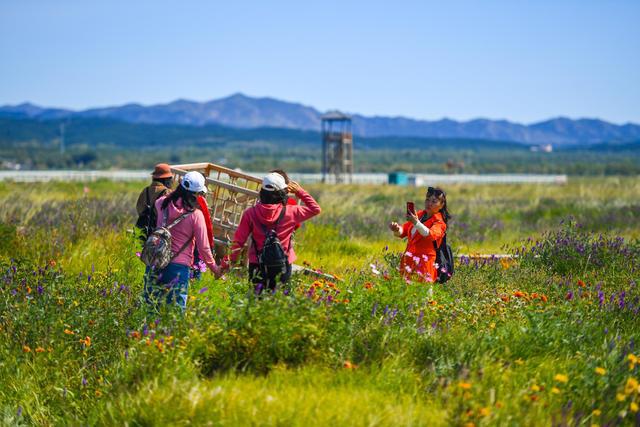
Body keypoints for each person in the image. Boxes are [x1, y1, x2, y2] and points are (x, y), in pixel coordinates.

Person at [227, 172, 321, 293]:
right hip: (283, 264)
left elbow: (238, 242)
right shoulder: (291, 212)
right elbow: (315, 209)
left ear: (262, 192)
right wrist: (299, 191)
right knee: (280, 303)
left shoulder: (250, 213)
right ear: (282, 193)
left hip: (257, 264)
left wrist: (231, 262)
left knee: (256, 302)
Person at [144, 171, 220, 311]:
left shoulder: (161, 203)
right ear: (197, 194)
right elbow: (204, 248)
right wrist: (215, 269)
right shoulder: (196, 216)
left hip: (155, 261)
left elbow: (160, 202)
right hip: (178, 269)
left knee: (151, 309)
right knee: (175, 314)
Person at [388, 186, 450, 283]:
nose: (429, 203)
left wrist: (416, 222)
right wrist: (396, 229)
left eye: (434, 201)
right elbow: (403, 230)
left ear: (441, 205)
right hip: (408, 262)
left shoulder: (439, 222)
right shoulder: (420, 215)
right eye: (427, 200)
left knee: (424, 295)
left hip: (425, 265)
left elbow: (430, 235)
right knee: (406, 295)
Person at [135, 163, 174, 241]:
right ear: (166, 180)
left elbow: (139, 208)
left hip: (144, 231)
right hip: (159, 234)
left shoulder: (145, 191)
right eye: (170, 178)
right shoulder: (167, 192)